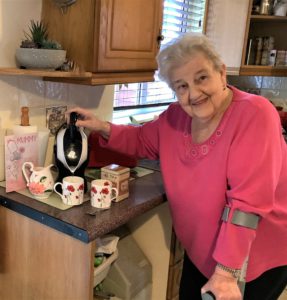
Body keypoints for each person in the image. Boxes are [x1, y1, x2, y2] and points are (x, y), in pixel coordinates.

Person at [67, 33, 287, 300]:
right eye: (181, 86)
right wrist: (102, 126)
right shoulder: (175, 117)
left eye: (201, 78)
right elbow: (141, 140)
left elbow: (247, 205)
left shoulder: (254, 114)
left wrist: (226, 273)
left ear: (221, 72)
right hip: (201, 253)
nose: (193, 94)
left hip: (250, 259)